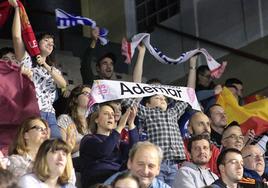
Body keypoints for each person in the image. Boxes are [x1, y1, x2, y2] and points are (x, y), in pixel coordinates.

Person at [9, 0, 67, 138]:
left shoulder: (53, 69)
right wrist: (17, 9)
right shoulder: (27, 61)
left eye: (52, 43)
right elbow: (17, 37)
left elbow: (63, 84)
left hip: (50, 114)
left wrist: (45, 65)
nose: (50, 44)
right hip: (33, 112)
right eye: (46, 40)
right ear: (36, 42)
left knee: (56, 144)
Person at [80, 102, 139, 187]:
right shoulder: (88, 139)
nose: (111, 117)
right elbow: (104, 151)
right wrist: (120, 127)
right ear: (96, 119)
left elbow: (135, 151)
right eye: (106, 114)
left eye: (112, 114)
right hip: (99, 182)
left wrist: (131, 122)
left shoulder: (118, 141)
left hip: (118, 179)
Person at [104, 141, 170, 188]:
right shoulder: (113, 184)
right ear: (129, 163)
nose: (145, 171)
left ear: (158, 169)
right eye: (140, 164)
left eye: (151, 166)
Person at [57, 85, 91, 158]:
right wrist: (84, 143)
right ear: (75, 99)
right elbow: (62, 149)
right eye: (86, 93)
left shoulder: (93, 122)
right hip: (75, 163)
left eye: (91, 94)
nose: (90, 96)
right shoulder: (64, 119)